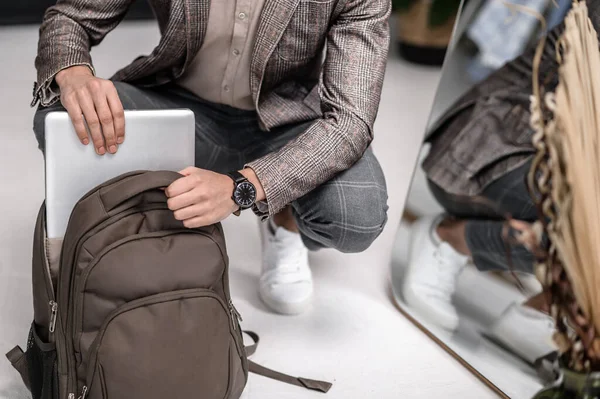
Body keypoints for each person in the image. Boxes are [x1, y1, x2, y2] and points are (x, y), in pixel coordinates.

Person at [32, 0, 391, 315]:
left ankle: (283, 217)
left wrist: (244, 187)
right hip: (180, 106)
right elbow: (72, 18)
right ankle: (131, 239)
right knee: (59, 119)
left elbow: (349, 120)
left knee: (356, 215)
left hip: (285, 124)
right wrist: (73, 72)